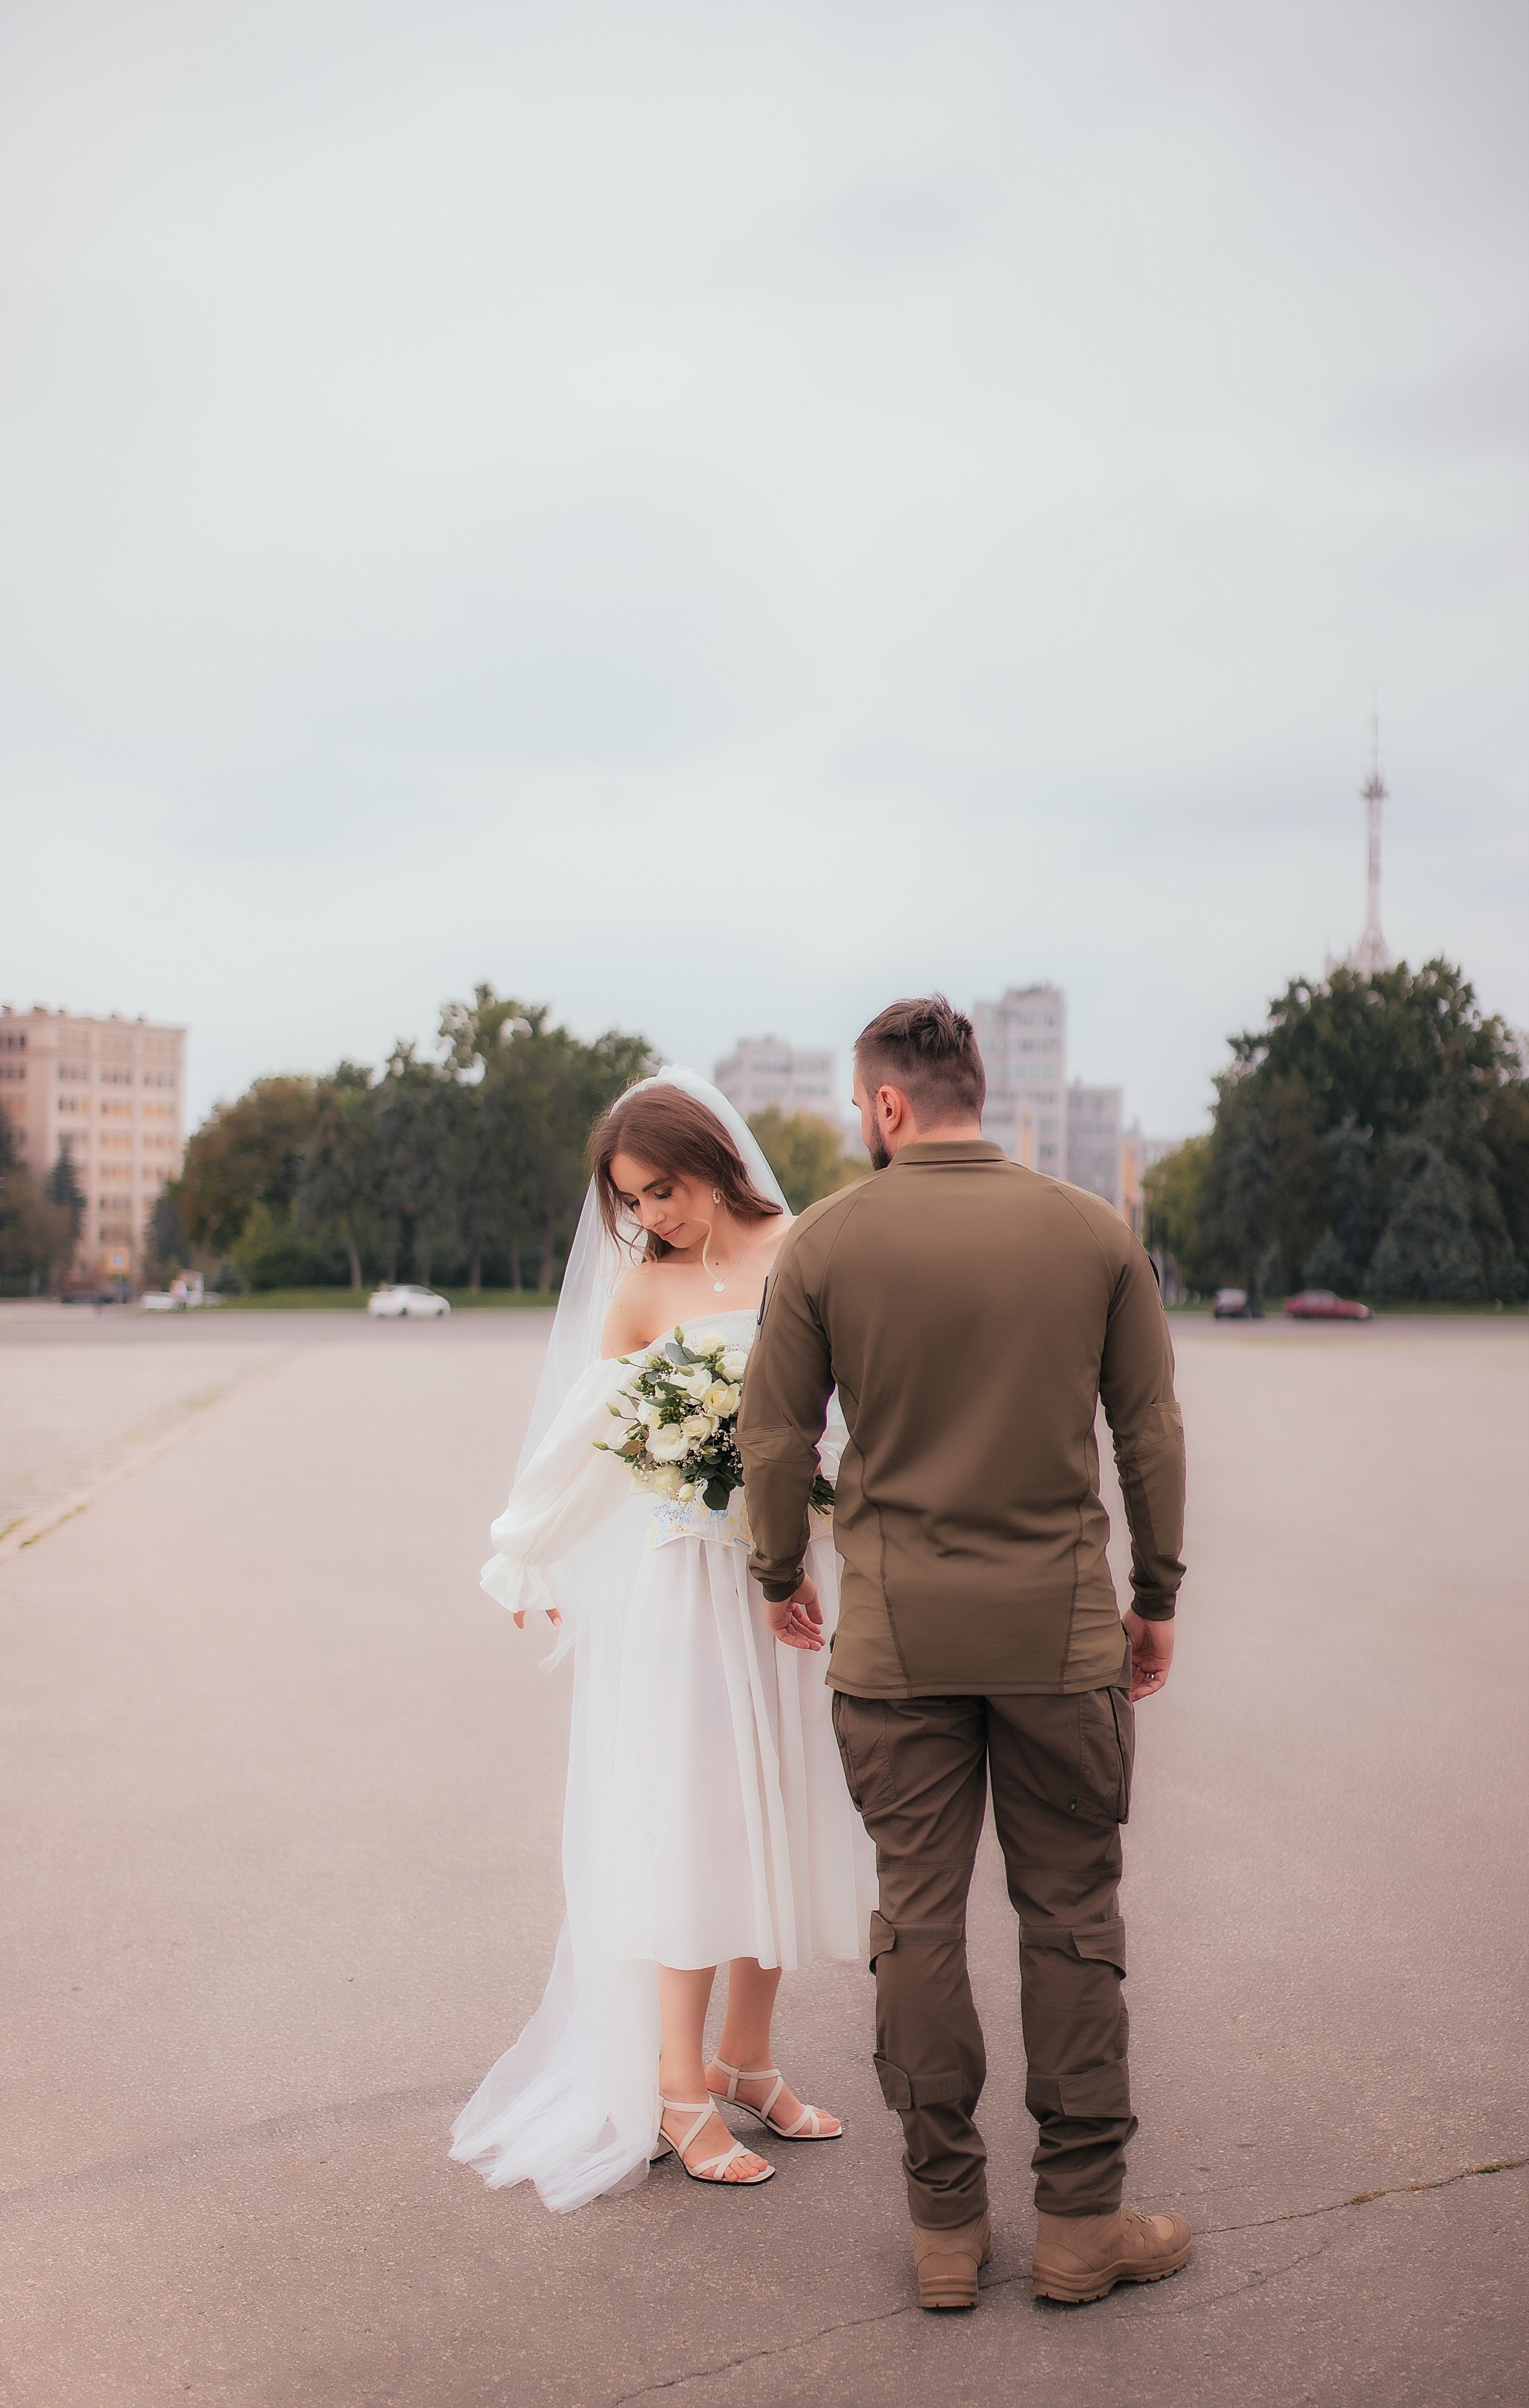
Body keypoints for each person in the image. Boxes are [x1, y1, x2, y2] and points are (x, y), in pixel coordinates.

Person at [738, 996, 1191, 2310]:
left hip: (891, 1642)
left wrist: (779, 1571)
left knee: (917, 1922)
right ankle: (1076, 2225)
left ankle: (944, 2231)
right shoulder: (1088, 1233)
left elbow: (777, 1443)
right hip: (1058, 1635)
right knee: (1066, 1917)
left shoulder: (824, 1241)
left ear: (886, 1106)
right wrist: (1152, 1592)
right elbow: (1147, 1433)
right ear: (972, 1091)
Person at [450, 1069, 873, 2209]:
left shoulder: (806, 1247)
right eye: (631, 1202)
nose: (651, 1218)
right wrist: (525, 1549)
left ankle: (749, 2056)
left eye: (663, 1191)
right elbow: (590, 1439)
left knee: (778, 1809)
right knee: (694, 1820)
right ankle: (678, 2084)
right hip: (681, 1588)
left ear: (714, 1161)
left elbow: (855, 1407)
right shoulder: (641, 1294)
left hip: (788, 1582)